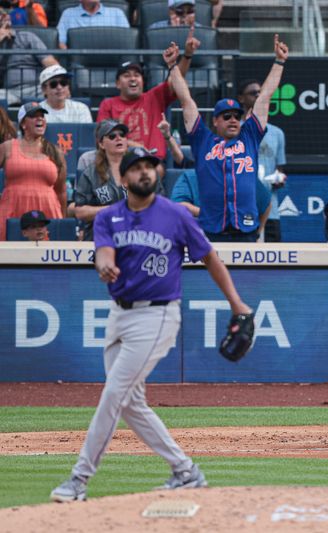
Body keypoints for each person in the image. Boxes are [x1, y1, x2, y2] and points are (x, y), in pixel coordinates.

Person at [49, 147, 252, 502]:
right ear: (124, 178)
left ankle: (78, 480)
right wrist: (104, 266)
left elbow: (210, 258)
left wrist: (236, 303)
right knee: (130, 404)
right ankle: (186, 471)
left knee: (113, 394)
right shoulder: (108, 217)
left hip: (157, 315)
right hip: (119, 315)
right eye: (136, 167)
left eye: (150, 166)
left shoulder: (176, 215)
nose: (145, 172)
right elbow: (104, 252)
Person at [170, 34, 288, 242]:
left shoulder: (249, 138)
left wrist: (279, 62)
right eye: (227, 117)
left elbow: (265, 97)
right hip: (212, 229)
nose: (233, 120)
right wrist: (173, 67)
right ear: (215, 121)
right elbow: (186, 100)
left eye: (237, 116)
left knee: (246, 276)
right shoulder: (202, 140)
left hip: (246, 228)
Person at [97, 31, 199, 160]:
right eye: (127, 76)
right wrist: (134, 146)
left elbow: (175, 81)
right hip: (120, 160)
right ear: (117, 84)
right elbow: (103, 137)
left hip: (153, 163)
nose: (133, 79)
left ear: (143, 81)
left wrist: (187, 55)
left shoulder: (154, 97)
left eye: (137, 75)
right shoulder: (108, 104)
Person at [73, 119, 167, 241]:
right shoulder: (90, 173)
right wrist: (114, 209)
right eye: (112, 136)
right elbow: (80, 212)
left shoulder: (144, 170)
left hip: (139, 236)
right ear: (101, 144)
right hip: (102, 237)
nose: (118, 138)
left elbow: (161, 203)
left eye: (122, 135)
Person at [0, 102, 66, 241]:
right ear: (23, 124)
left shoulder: (55, 152)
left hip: (47, 210)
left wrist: (63, 222)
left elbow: (61, 191)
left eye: (42, 116)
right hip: (12, 208)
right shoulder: (7, 148)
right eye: (34, 116)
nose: (40, 119)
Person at [240, 79, 287, 242]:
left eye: (261, 93)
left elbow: (280, 169)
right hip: (241, 210)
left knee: (273, 265)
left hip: (271, 210)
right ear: (241, 98)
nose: (259, 97)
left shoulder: (277, 133)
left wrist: (279, 179)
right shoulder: (234, 130)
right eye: (254, 93)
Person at [170, 168, 272, 237]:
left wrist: (258, 234)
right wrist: (209, 213)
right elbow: (178, 205)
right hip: (203, 237)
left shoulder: (244, 176)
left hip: (241, 238)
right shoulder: (190, 176)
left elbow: (266, 203)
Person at [0, 9, 59, 105]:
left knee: (52, 93)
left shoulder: (27, 37)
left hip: (35, 88)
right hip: (7, 91)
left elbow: (52, 64)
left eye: (3, 16)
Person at [56, 0, 129, 49]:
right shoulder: (68, 14)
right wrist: (70, 57)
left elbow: (128, 42)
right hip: (79, 63)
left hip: (113, 61)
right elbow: (60, 41)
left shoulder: (117, 13)